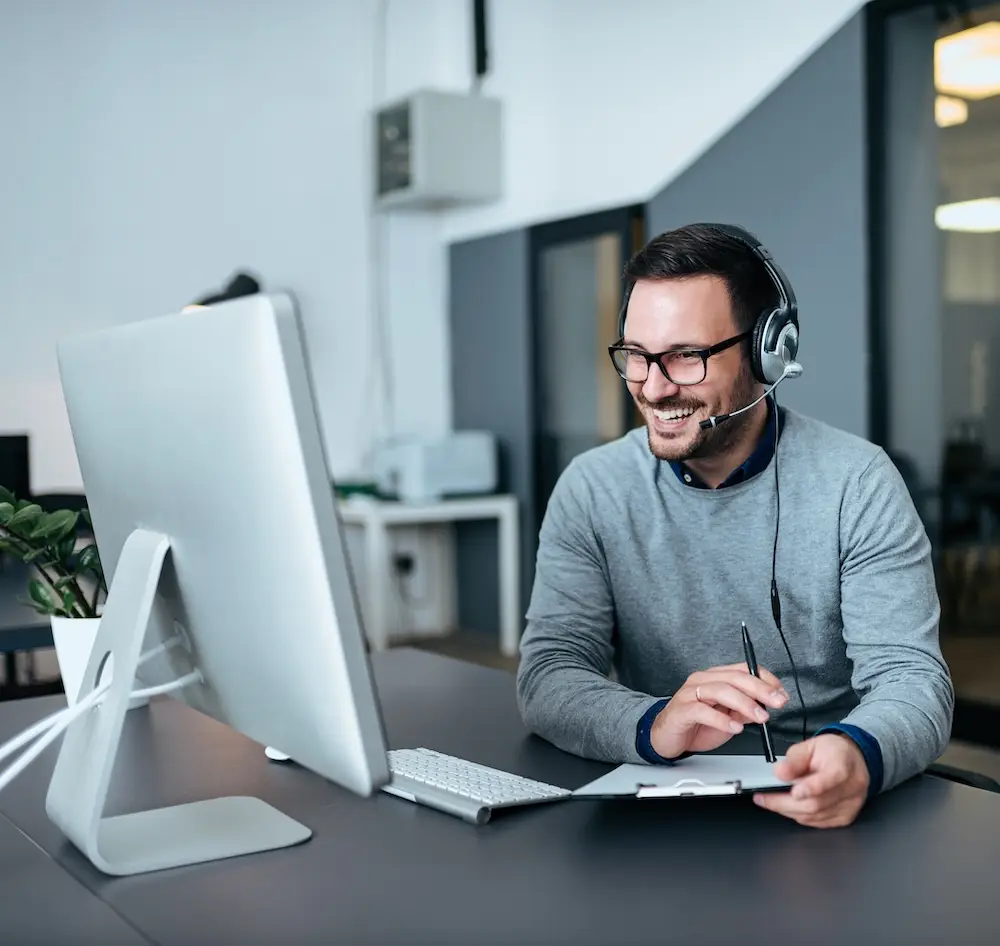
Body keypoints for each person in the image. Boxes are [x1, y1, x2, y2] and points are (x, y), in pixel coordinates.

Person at [515, 223, 953, 829]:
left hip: (823, 804)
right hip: (665, 805)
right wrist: (654, 722)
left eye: (686, 357)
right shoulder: (593, 488)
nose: (654, 385)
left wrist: (857, 753)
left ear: (766, 352)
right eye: (636, 355)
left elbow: (913, 681)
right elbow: (549, 674)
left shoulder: (857, 482)